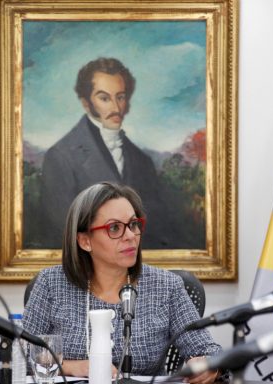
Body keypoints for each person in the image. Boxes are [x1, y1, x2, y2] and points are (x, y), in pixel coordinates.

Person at [24, 182, 221, 384]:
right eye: (114, 228)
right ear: (85, 241)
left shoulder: (166, 286)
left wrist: (209, 365)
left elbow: (210, 350)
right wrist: (73, 367)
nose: (130, 236)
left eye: (133, 224)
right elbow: (20, 355)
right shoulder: (51, 284)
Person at [37, 57, 182, 249]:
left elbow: (159, 229)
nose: (115, 108)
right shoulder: (61, 157)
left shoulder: (142, 161)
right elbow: (64, 234)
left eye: (120, 97)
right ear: (86, 103)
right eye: (104, 98)